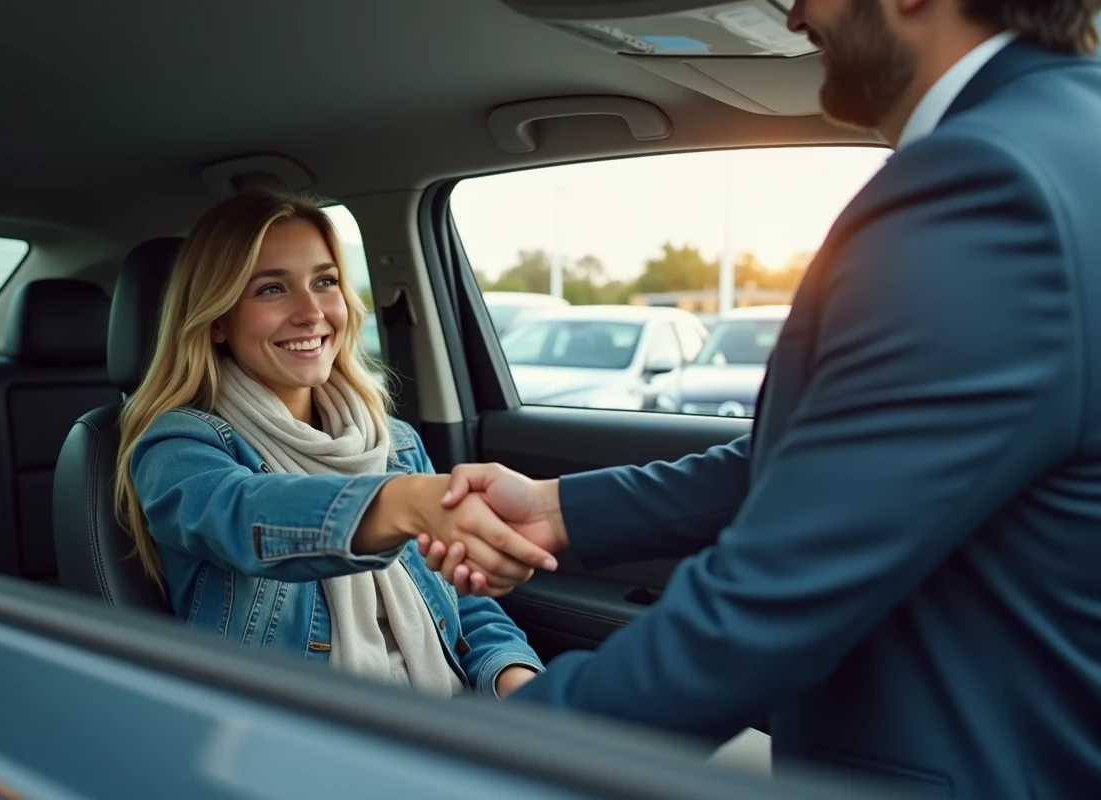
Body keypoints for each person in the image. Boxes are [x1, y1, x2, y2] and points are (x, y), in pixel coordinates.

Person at [423, 0, 1101, 794]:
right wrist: (557, 508)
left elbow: (769, 603)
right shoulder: (1064, 145)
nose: (794, 17)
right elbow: (836, 465)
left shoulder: (984, 181)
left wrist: (444, 765)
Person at [114, 189, 552, 698]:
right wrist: (402, 504)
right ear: (216, 319)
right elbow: (245, 518)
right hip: (299, 731)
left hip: (446, 716)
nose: (311, 311)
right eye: (271, 289)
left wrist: (514, 680)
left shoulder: (394, 443)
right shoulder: (177, 447)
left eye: (325, 282)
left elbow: (459, 600)